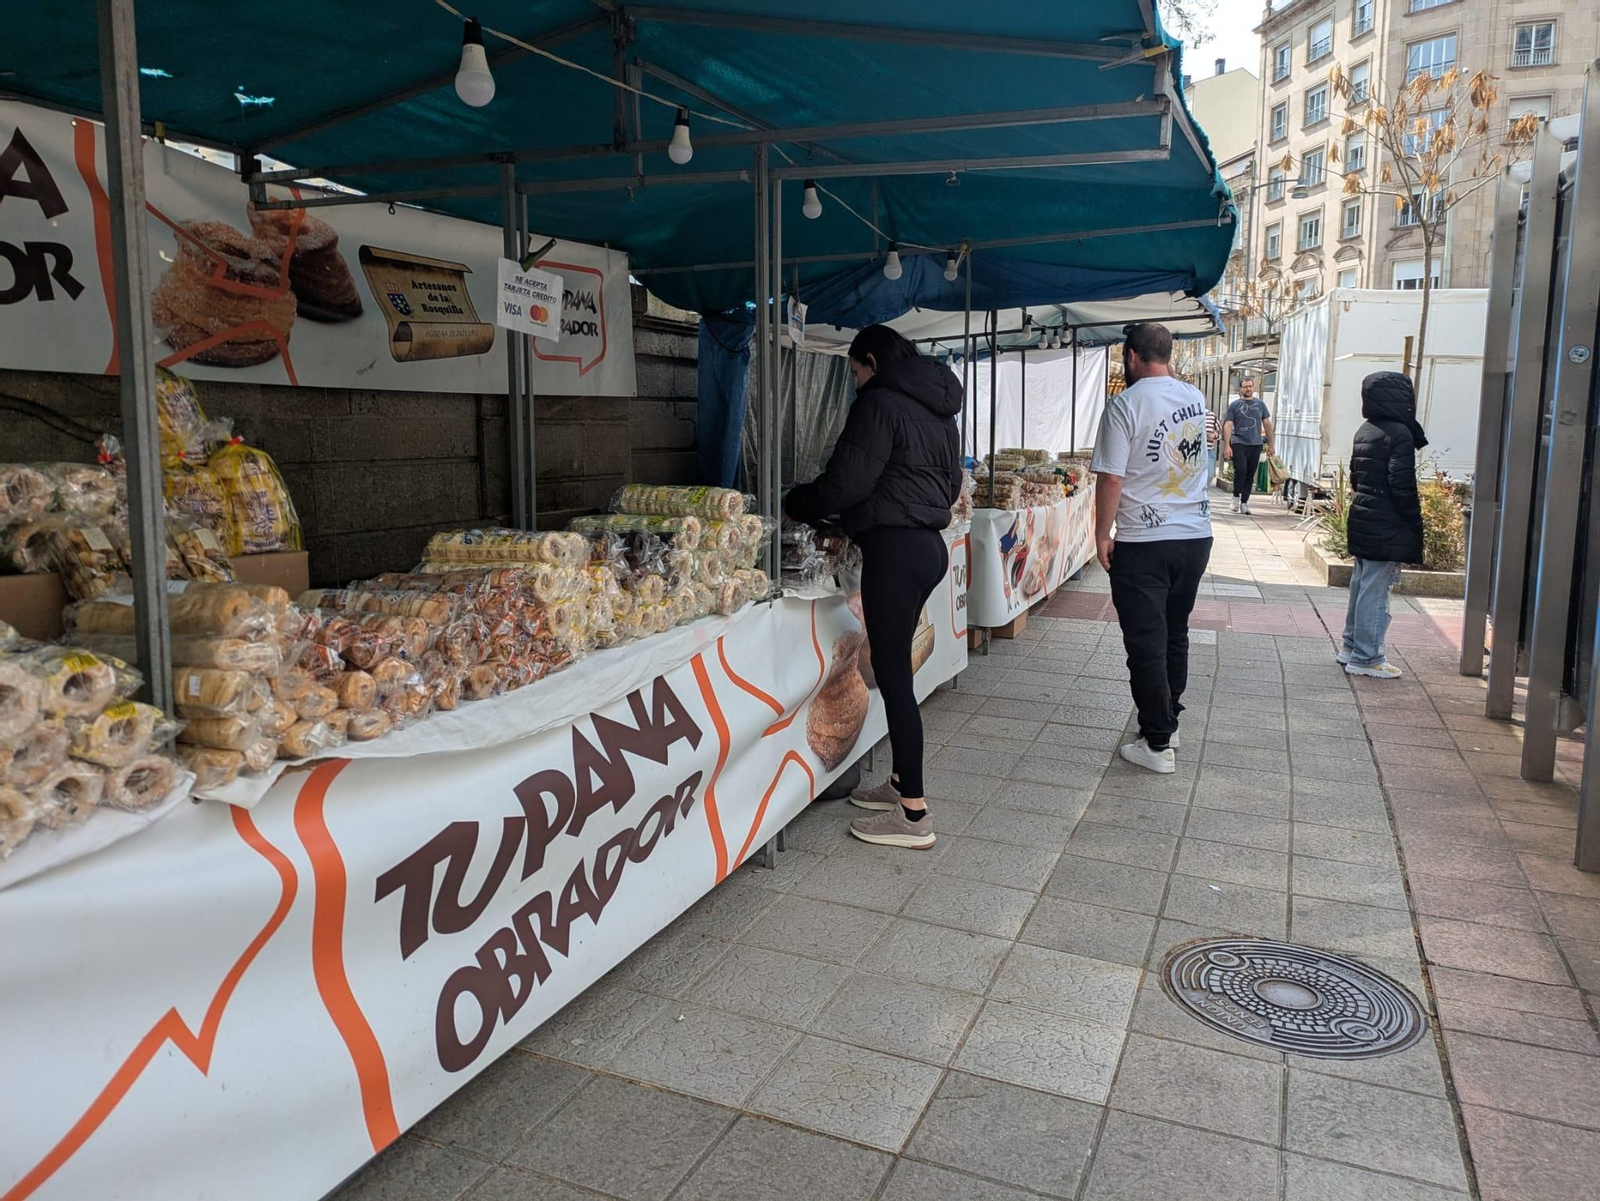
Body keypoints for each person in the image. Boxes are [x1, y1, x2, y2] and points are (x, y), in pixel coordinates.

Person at [784, 324, 961, 848]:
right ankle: (902, 783)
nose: (856, 380)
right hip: (928, 548)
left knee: (893, 677)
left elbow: (846, 482)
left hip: (895, 551)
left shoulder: (879, 403)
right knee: (893, 667)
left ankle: (913, 816)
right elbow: (947, 486)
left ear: (870, 361)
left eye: (856, 370)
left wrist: (796, 502)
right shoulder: (938, 410)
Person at [1091, 323, 1214, 774]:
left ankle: (1157, 743)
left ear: (1130, 355)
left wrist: (1102, 534)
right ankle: (1169, 720)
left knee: (1146, 642)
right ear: (1168, 354)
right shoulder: (1195, 398)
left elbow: (1111, 477)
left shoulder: (1123, 405)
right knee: (1174, 631)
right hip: (1195, 535)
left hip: (1145, 540)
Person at [1342, 370, 1427, 680]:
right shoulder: (1399, 434)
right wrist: (1414, 523)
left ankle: (1350, 647)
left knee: (1361, 583)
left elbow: (1355, 476)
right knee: (1376, 591)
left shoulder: (1365, 429)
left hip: (1363, 515)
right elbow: (1401, 484)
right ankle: (1368, 657)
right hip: (1387, 522)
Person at [1223, 376, 1273, 514]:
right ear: (1240, 389)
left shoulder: (1260, 404)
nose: (1248, 389)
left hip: (1255, 443)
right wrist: (1227, 445)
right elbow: (1228, 425)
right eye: (1245, 386)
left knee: (1250, 474)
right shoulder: (1234, 405)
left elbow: (1267, 424)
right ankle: (1235, 497)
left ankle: (1244, 502)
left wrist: (1271, 444)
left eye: (1250, 386)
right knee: (1241, 470)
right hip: (1239, 442)